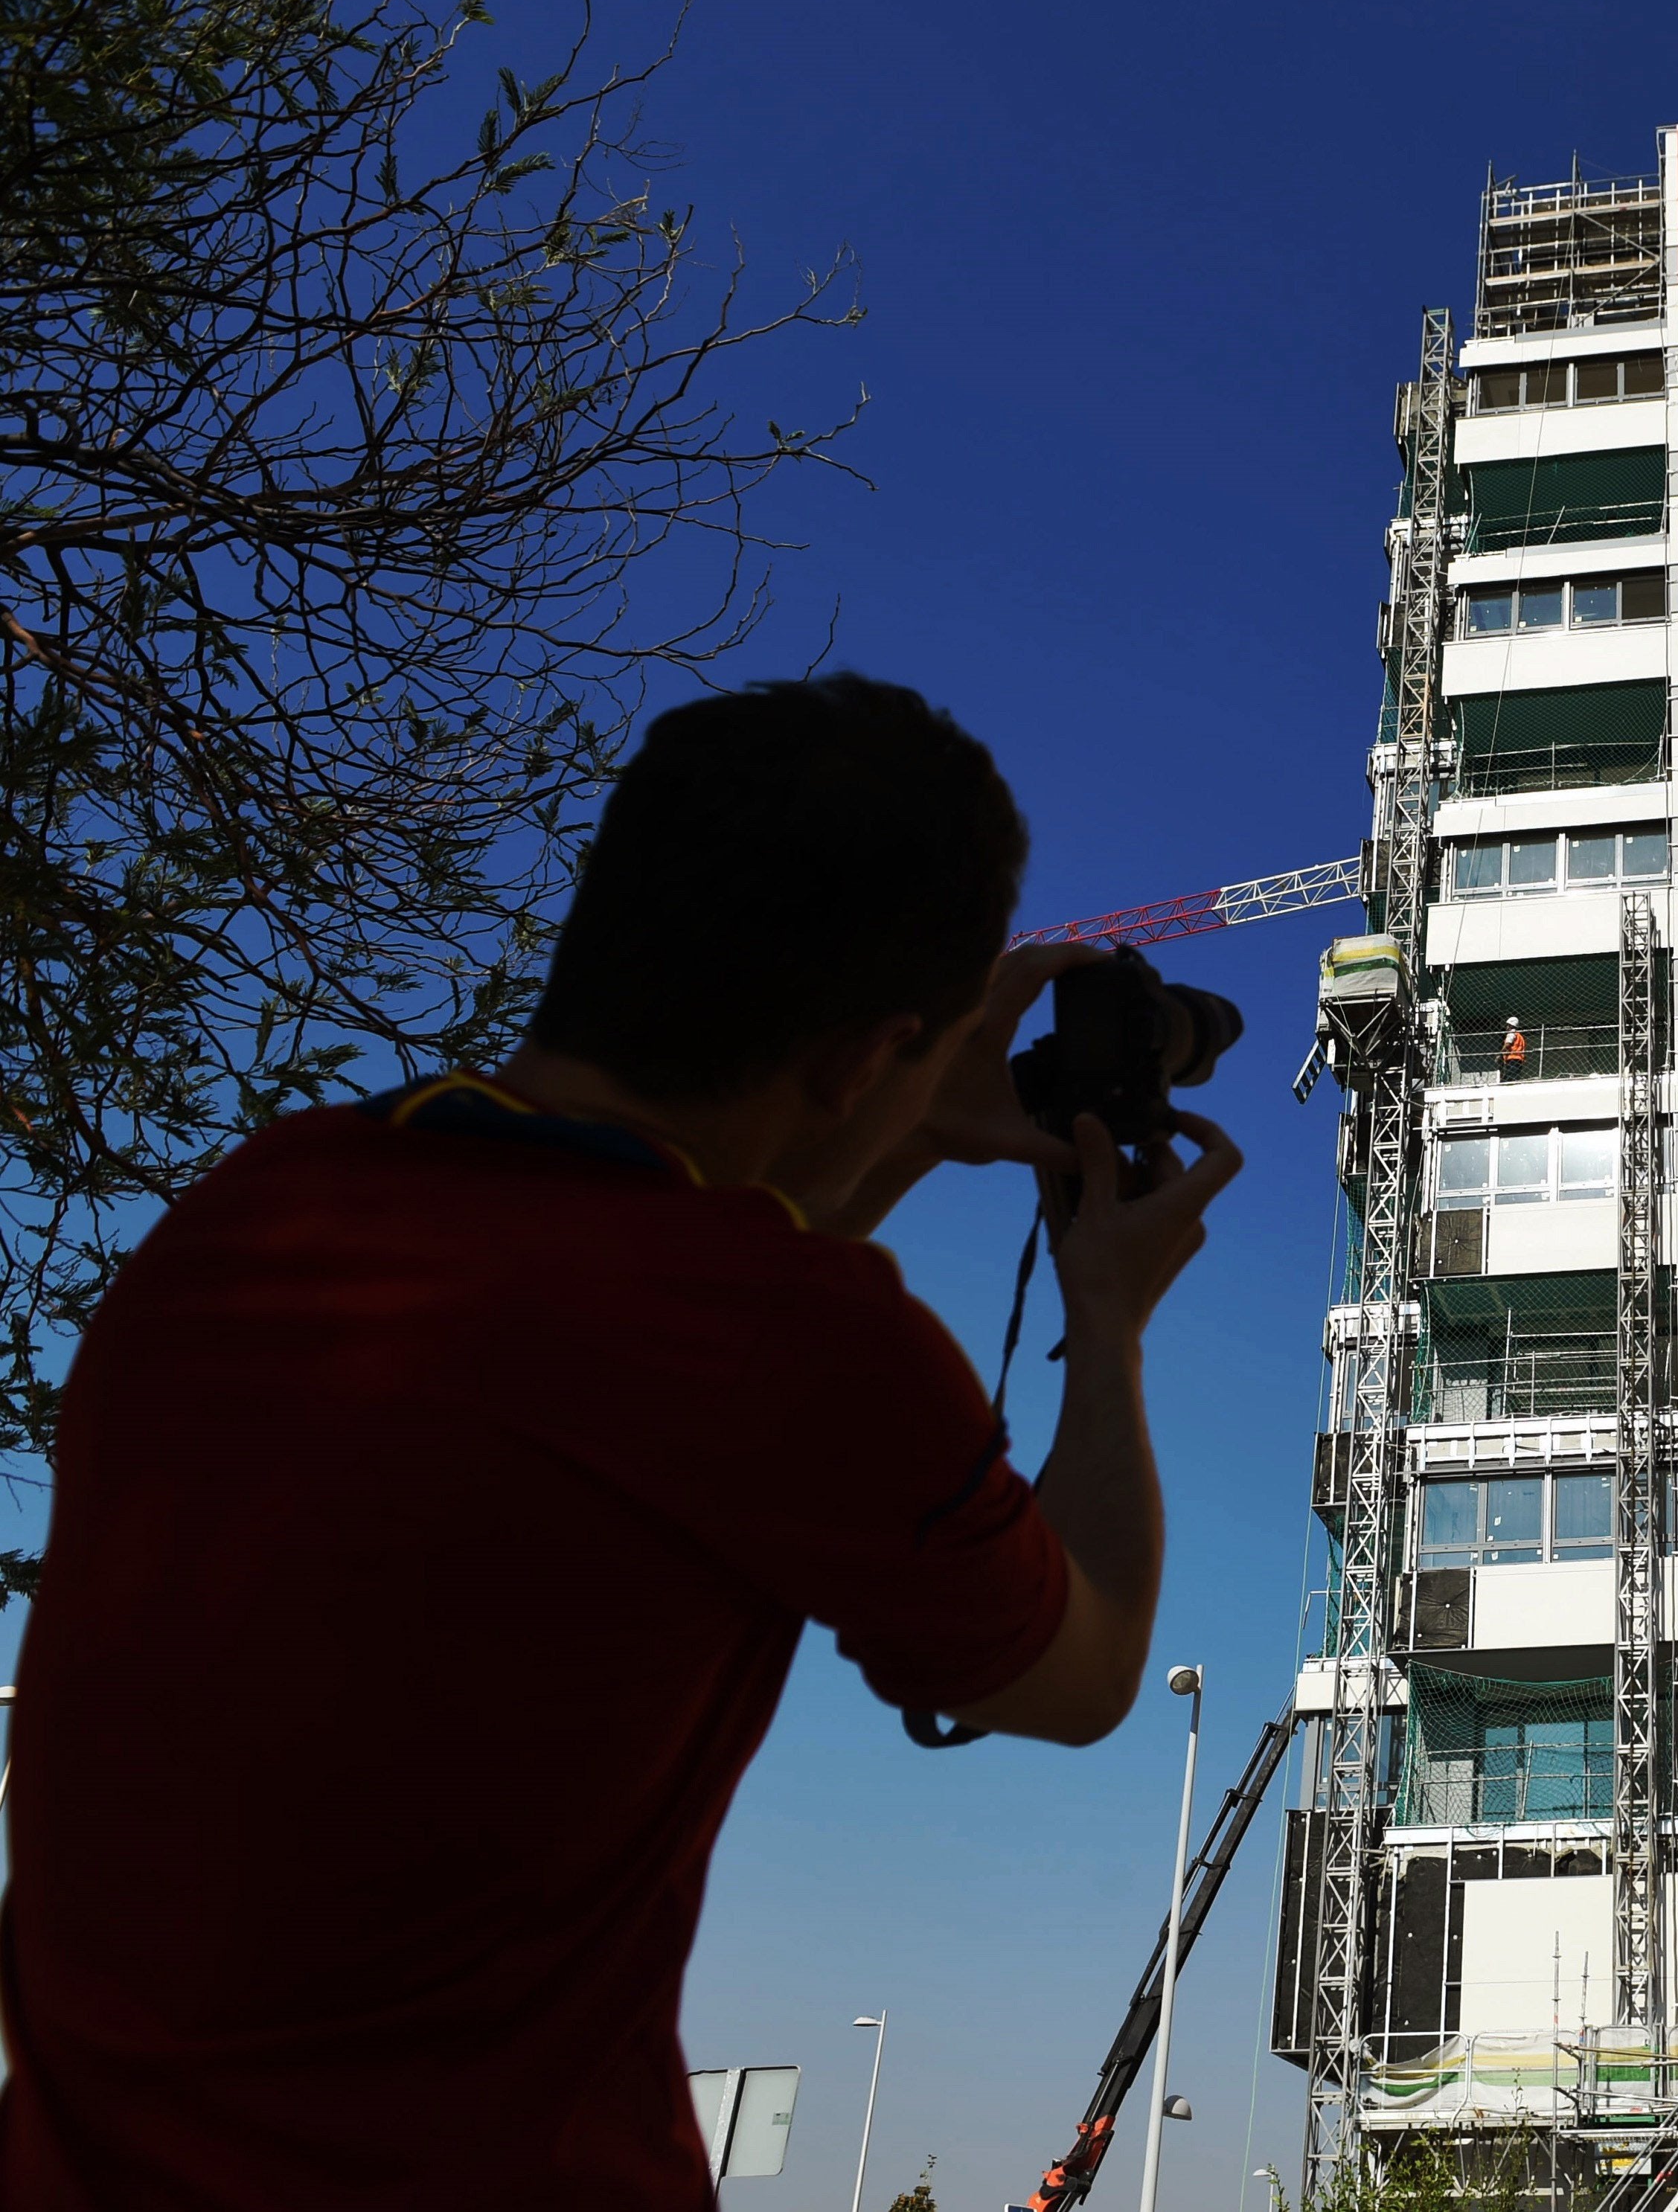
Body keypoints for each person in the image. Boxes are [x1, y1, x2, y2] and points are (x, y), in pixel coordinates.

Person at [0, 676, 1240, 2209]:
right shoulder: (790, 1345)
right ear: (861, 1056)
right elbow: (1087, 1668)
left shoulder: (248, 1214)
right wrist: (1106, 1323)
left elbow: (665, 1315)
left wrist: (912, 1117)